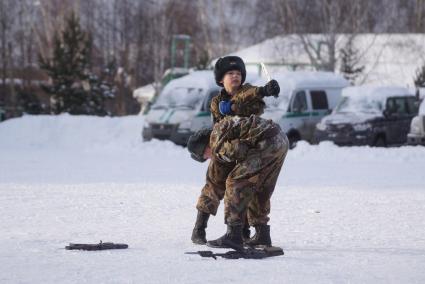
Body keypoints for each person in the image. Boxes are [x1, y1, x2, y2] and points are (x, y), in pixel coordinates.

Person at [189, 56, 281, 245]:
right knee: (214, 184)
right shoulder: (216, 102)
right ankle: (199, 228)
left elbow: (252, 98)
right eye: (230, 73)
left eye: (238, 73)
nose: (235, 76)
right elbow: (220, 119)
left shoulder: (251, 93)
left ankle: (244, 231)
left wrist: (265, 90)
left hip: (249, 148)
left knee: (248, 188)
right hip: (227, 148)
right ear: (221, 79)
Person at [188, 114, 289, 248]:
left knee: (235, 183)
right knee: (259, 187)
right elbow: (214, 185)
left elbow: (240, 151)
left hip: (265, 144)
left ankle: (233, 235)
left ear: (205, 148)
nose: (208, 159)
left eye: (205, 156)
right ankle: (262, 235)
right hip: (279, 139)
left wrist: (228, 157)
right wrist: (199, 228)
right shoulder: (223, 133)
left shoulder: (216, 142)